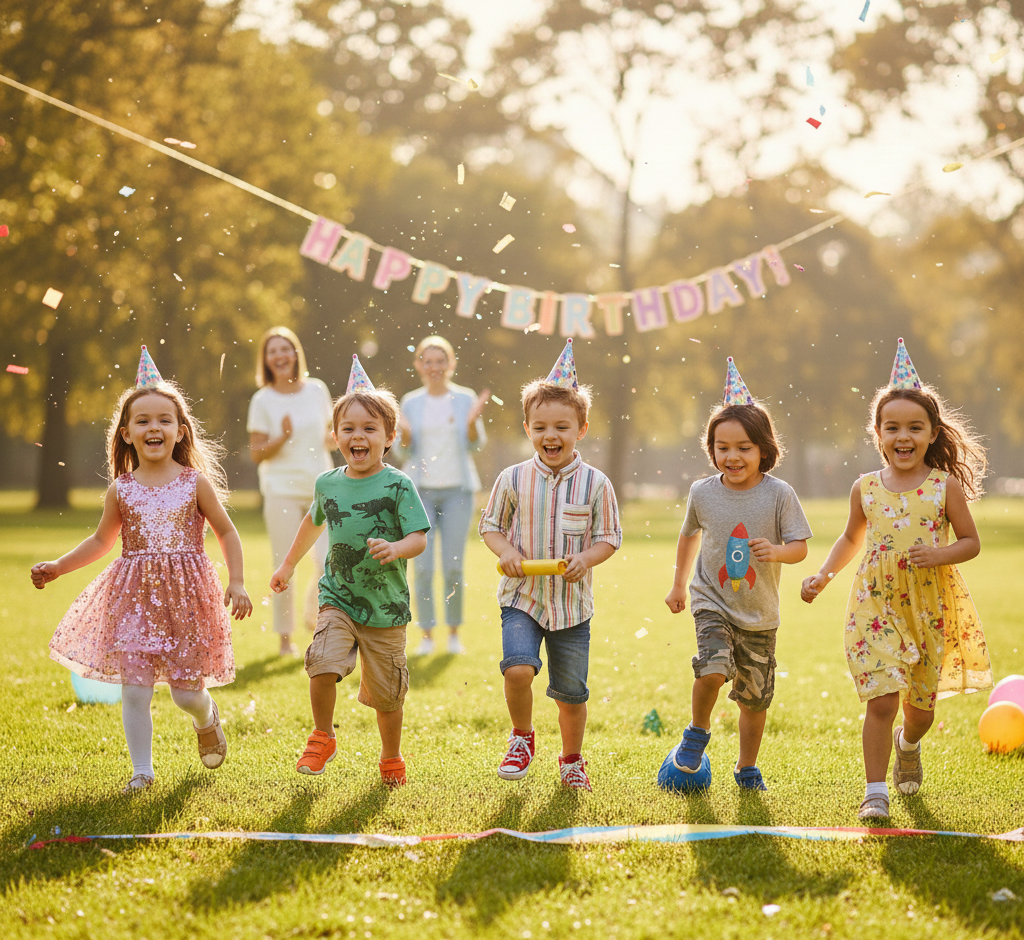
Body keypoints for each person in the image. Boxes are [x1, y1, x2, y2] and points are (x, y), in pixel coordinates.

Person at [32, 346, 252, 793]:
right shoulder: (122, 489)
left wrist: (238, 581)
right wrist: (58, 566)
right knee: (135, 688)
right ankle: (142, 771)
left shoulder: (194, 483)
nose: (154, 427)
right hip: (133, 600)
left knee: (185, 693)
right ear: (127, 433)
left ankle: (206, 716)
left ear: (180, 431)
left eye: (164, 420)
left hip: (187, 601)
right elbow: (101, 541)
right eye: (143, 421)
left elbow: (227, 531)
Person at [801, 338, 991, 819]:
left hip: (928, 605)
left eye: (914, 427)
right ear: (878, 433)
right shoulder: (864, 488)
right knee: (882, 700)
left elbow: (970, 541)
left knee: (920, 712)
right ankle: (875, 792)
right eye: (892, 427)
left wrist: (939, 554)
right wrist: (823, 574)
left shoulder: (943, 486)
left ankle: (909, 743)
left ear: (932, 434)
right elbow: (851, 538)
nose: (903, 436)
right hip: (875, 604)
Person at [270, 356, 429, 788]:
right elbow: (313, 522)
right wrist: (288, 564)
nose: (358, 436)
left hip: (386, 607)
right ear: (335, 435)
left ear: (390, 437)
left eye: (369, 428)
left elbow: (418, 538)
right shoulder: (328, 483)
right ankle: (323, 735)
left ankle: (391, 757)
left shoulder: (398, 485)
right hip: (338, 596)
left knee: (388, 697)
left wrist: (396, 548)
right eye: (349, 428)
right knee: (321, 662)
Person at [480, 340, 621, 792]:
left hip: (572, 608)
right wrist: (506, 552)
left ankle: (572, 760)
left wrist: (586, 558)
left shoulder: (596, 483)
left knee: (571, 694)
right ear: (527, 429)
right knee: (518, 669)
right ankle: (522, 737)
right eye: (540, 427)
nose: (550, 435)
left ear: (581, 429)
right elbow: (490, 527)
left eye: (562, 426)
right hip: (521, 598)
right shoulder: (512, 478)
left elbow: (609, 537)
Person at [665, 358, 811, 791]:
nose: (732, 456)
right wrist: (678, 585)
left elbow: (800, 548)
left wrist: (777, 552)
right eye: (723, 447)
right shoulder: (702, 492)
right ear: (711, 449)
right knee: (712, 668)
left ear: (764, 449)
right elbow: (688, 536)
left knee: (754, 700)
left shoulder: (779, 494)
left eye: (744, 447)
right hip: (712, 599)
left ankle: (747, 767)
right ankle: (697, 732)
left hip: (760, 614)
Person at [399, 336, 489, 656]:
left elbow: (476, 444)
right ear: (418, 365)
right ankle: (426, 635)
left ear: (451, 364)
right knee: (422, 567)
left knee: (453, 566)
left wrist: (472, 424)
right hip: (419, 492)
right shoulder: (410, 402)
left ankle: (453, 633)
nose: (435, 367)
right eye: (429, 361)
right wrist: (405, 435)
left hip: (457, 492)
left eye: (441, 361)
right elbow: (401, 450)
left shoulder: (464, 398)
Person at [247, 326, 334, 655]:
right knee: (284, 564)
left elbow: (328, 436)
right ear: (266, 360)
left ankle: (315, 616)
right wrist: (281, 437)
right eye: (273, 351)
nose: (280, 356)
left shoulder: (317, 390)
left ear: (296, 354)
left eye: (285, 349)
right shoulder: (262, 399)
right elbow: (256, 453)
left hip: (320, 488)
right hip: (281, 489)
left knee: (329, 561)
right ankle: (285, 638)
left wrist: (339, 438)